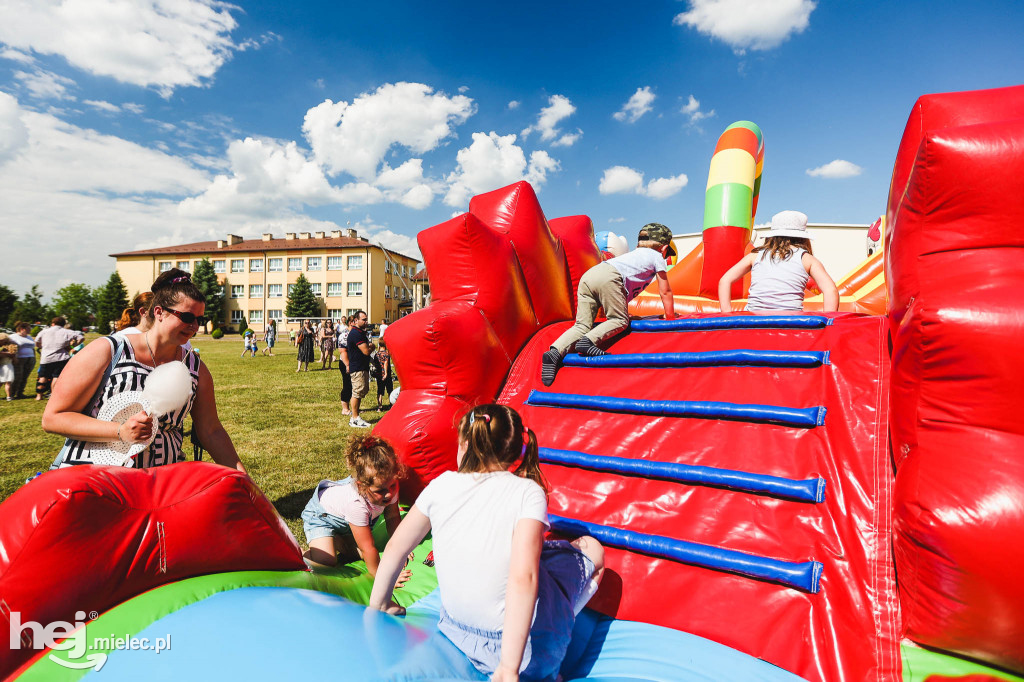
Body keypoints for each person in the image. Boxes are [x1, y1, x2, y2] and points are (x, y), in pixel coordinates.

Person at [368, 404, 604, 681]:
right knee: (591, 549)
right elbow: (524, 577)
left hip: (455, 629)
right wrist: (508, 668)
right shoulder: (527, 492)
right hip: (523, 650)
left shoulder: (441, 484)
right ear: (516, 452)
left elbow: (397, 546)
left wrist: (380, 603)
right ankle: (558, 627)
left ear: (465, 444)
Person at [44, 268, 247, 472]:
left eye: (199, 320)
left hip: (161, 486)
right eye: (186, 317)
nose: (194, 326)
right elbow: (54, 417)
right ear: (159, 312)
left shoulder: (195, 368)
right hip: (95, 478)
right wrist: (120, 431)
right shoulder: (108, 351)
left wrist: (242, 477)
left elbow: (211, 431)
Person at [541, 223, 677, 386]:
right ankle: (588, 342)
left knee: (582, 325)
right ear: (664, 248)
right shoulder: (656, 257)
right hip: (610, 276)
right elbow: (666, 291)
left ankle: (554, 352)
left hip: (591, 275)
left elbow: (619, 292)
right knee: (620, 321)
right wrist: (670, 319)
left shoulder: (632, 257)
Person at [301, 434, 412, 588]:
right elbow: (368, 548)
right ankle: (302, 553)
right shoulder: (356, 504)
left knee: (355, 553)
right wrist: (384, 579)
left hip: (347, 519)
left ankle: (338, 540)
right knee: (327, 562)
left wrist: (402, 547)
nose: (389, 494)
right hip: (322, 517)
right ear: (362, 487)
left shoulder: (388, 486)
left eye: (393, 486)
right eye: (380, 490)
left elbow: (393, 516)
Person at [718, 210, 839, 314]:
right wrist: (828, 320)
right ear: (803, 237)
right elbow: (830, 290)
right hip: (790, 320)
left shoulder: (755, 256)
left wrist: (727, 314)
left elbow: (725, 280)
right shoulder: (806, 259)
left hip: (754, 318)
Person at [34, 317, 85, 400]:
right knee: (56, 377)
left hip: (46, 358)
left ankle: (39, 396)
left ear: (53, 323)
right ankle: (53, 396)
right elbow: (81, 338)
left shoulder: (44, 331)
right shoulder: (67, 332)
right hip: (61, 357)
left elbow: (36, 342)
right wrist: (71, 346)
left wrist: (43, 347)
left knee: (43, 376)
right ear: (63, 324)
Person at [345, 310, 372, 428]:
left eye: (366, 319)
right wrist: (372, 346)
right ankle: (354, 418)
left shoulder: (360, 332)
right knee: (357, 392)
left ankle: (356, 417)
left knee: (361, 391)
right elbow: (366, 351)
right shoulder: (356, 333)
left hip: (362, 367)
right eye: (364, 319)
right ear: (356, 320)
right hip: (357, 368)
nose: (366, 322)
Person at [9, 322, 36, 399]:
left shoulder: (29, 337)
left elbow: (32, 347)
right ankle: (12, 393)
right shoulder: (13, 337)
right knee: (18, 377)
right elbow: (11, 348)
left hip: (30, 358)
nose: (30, 330)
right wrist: (14, 358)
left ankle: (20, 393)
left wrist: (33, 357)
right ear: (22, 329)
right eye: (28, 328)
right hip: (19, 359)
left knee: (25, 376)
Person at [337, 318, 353, 416]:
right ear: (351, 323)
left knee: (354, 386)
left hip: (354, 363)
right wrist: (347, 364)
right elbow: (343, 351)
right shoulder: (344, 335)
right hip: (345, 363)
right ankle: (345, 409)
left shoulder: (358, 334)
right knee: (347, 385)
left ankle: (353, 408)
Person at [373, 339, 394, 411]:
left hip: (379, 375)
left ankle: (379, 406)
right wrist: (386, 373)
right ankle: (391, 404)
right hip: (386, 375)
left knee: (380, 391)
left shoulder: (377, 354)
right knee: (389, 390)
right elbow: (386, 363)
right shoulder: (386, 354)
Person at [0, 333, 16, 401]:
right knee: (8, 383)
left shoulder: (2, 352)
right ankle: (9, 396)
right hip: (8, 367)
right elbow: (14, 359)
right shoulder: (10, 353)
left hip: (2, 367)